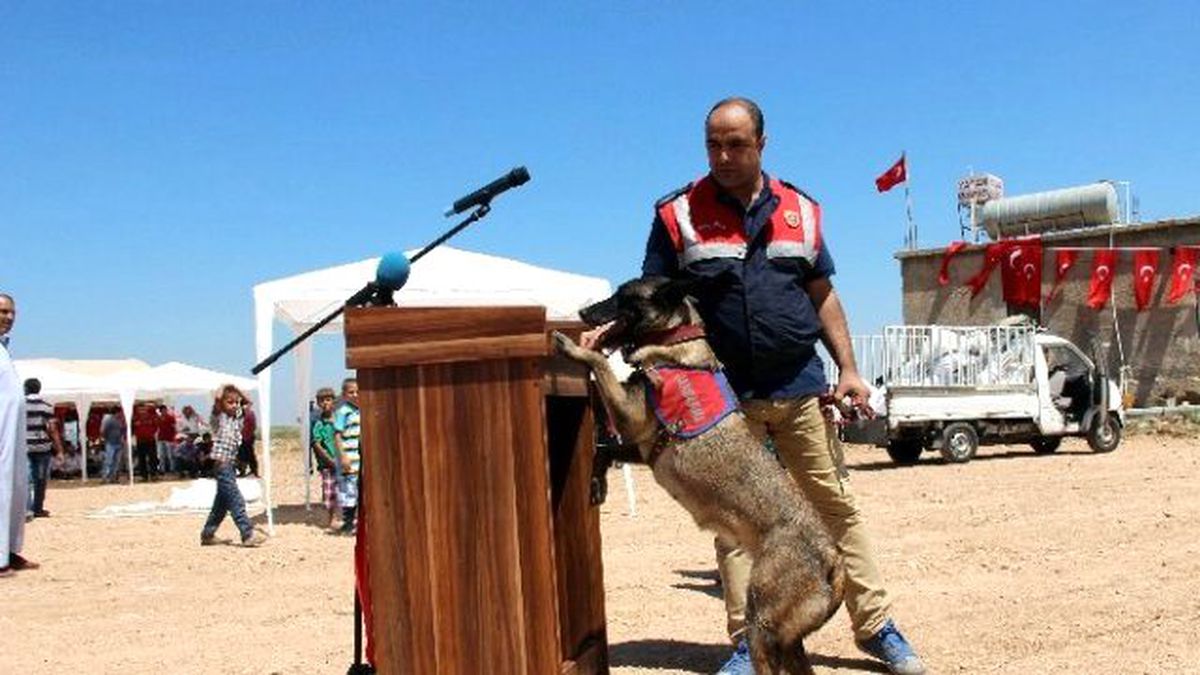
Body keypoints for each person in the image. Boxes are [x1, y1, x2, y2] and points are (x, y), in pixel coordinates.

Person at [635, 98, 925, 674]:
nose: (723, 155)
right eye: (713, 143)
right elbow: (648, 298)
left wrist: (847, 368)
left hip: (799, 388)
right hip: (725, 403)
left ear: (762, 144)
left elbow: (823, 296)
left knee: (834, 510)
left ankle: (876, 627)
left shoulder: (801, 209)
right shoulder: (678, 214)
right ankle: (750, 643)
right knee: (739, 525)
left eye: (736, 143)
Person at [200, 385, 266, 547]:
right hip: (222, 464)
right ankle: (247, 533)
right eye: (230, 402)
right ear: (222, 404)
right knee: (236, 500)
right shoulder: (218, 419)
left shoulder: (236, 419)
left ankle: (208, 534)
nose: (235, 405)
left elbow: (248, 402)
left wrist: (236, 389)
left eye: (236, 402)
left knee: (221, 504)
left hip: (229, 464)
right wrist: (223, 388)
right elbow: (216, 399)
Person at [1, 293, 38, 577]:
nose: (8, 317)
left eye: (11, 312)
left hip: (12, 434)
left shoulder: (4, 350)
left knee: (15, 487)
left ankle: (9, 549)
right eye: (3, 312)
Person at [24, 378, 64, 518]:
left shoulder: (20, 405)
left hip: (25, 448)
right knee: (40, 479)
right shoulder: (47, 406)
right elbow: (52, 429)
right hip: (42, 448)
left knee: (26, 479)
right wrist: (59, 450)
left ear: (26, 389)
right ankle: (38, 509)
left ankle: (27, 509)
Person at [332, 378, 361, 535]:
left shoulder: (361, 411)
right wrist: (342, 456)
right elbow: (337, 435)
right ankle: (348, 523)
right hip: (349, 457)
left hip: (359, 457)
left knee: (358, 489)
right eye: (351, 392)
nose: (355, 395)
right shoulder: (343, 412)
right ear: (344, 395)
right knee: (348, 490)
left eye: (357, 392)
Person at [310, 387, 340, 529]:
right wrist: (330, 460)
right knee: (330, 491)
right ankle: (332, 518)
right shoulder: (319, 424)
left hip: (344, 461)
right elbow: (316, 444)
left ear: (334, 401)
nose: (325, 403)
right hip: (327, 465)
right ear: (318, 403)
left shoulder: (340, 420)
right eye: (322, 400)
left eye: (328, 399)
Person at [131, 402, 159, 481]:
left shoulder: (151, 416)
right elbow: (132, 428)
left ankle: (153, 474)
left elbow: (156, 426)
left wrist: (151, 433)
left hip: (150, 440)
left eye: (143, 409)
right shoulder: (135, 418)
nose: (142, 410)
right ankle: (144, 476)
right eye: (140, 409)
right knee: (141, 459)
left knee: (152, 458)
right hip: (140, 441)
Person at [100, 406, 125, 483]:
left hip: (118, 443)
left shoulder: (120, 420)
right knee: (109, 461)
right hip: (110, 443)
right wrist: (106, 439)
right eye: (120, 412)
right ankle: (105, 477)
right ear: (117, 412)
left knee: (116, 462)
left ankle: (112, 477)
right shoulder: (108, 419)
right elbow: (103, 431)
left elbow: (122, 430)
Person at [237, 399, 258, 477]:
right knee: (242, 454)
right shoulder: (241, 414)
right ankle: (243, 470)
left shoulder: (250, 414)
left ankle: (253, 470)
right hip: (242, 437)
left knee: (249, 454)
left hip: (248, 437)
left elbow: (253, 426)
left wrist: (248, 435)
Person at [155, 404, 177, 477]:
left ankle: (172, 469)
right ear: (160, 411)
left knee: (170, 455)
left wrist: (173, 436)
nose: (164, 411)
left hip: (169, 438)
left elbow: (174, 427)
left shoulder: (170, 417)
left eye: (165, 410)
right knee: (161, 455)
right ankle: (162, 469)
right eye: (162, 410)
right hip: (161, 438)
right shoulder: (158, 418)